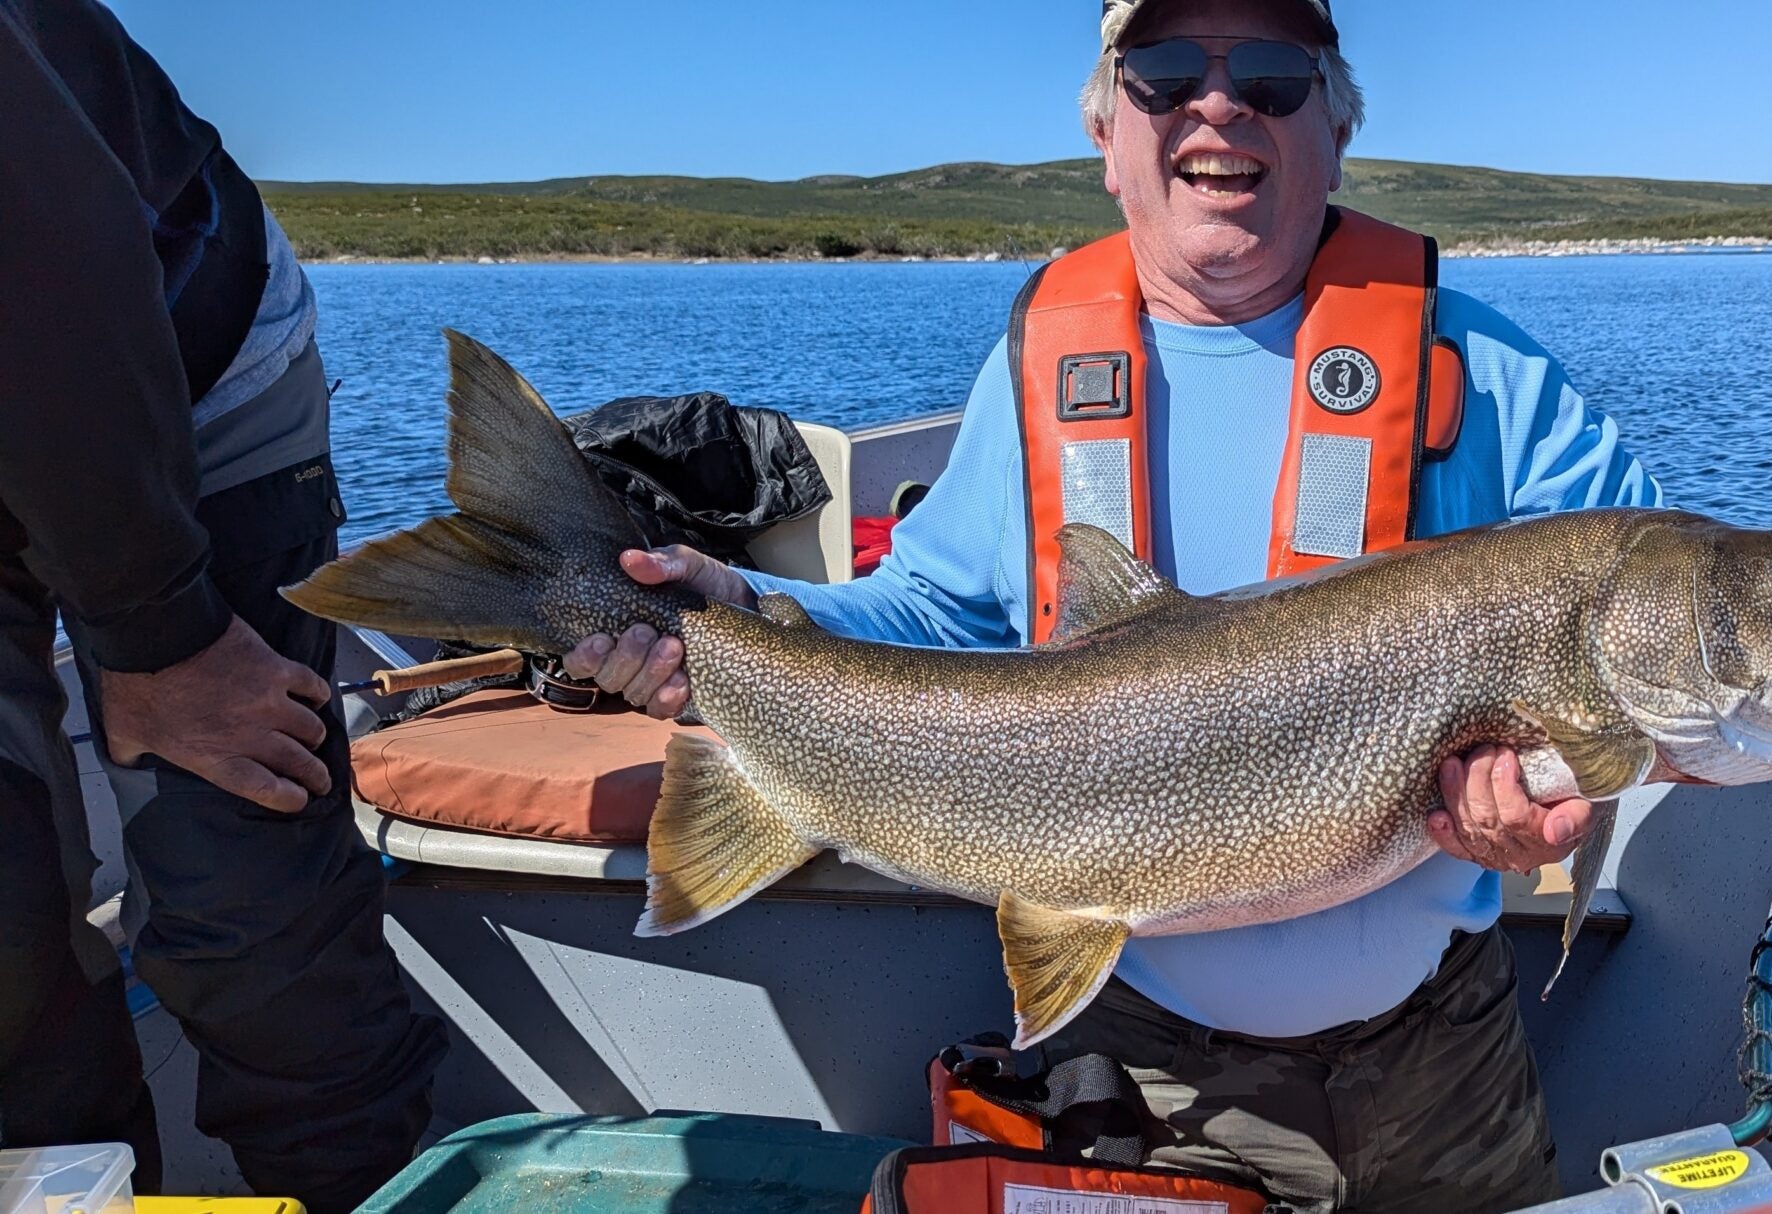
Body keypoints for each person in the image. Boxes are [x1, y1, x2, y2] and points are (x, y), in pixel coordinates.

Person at [567, 1, 1657, 1208]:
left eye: (1276, 78)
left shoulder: (1486, 368)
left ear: (1338, 128)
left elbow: (1660, 665)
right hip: (1145, 1064)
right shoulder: (1040, 367)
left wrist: (1570, 791)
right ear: (1104, 131)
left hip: (1445, 1058)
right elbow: (931, 612)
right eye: (1165, 71)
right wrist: (735, 603)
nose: (1219, 103)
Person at [0, 3, 447, 1210]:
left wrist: (168, 637)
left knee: (241, 880)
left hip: (162, 340)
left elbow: (48, 266)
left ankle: (359, 1189)